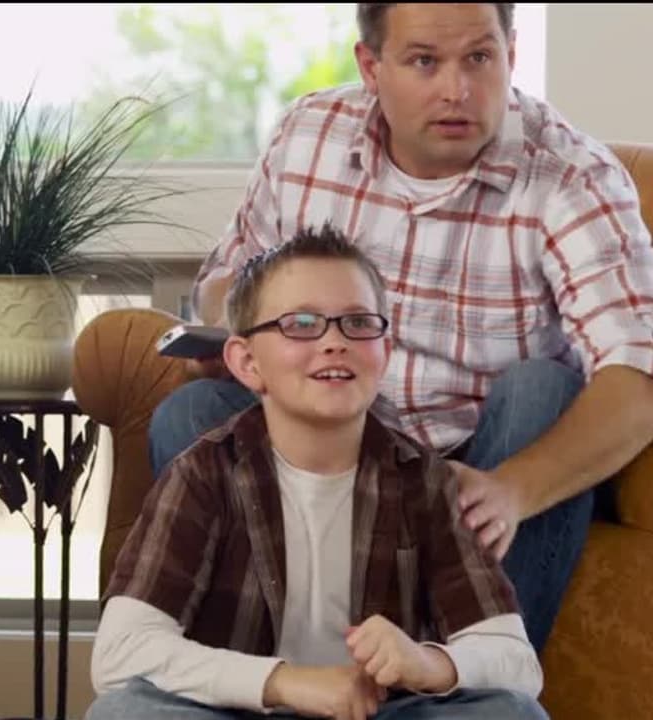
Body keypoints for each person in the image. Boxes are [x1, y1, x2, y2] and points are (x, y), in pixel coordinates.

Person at [148, 2, 653, 654]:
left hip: (478, 468)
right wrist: (235, 331)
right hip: (325, 448)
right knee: (189, 414)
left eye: (479, 57)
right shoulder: (308, 138)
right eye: (424, 62)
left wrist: (511, 490)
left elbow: (638, 375)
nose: (457, 89)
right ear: (371, 66)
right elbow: (226, 281)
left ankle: (478, 674)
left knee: (542, 389)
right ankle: (276, 678)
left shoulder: (571, 176)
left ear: (512, 53)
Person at [87, 226, 546, 720]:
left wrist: (428, 664)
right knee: (123, 712)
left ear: (384, 352)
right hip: (242, 711)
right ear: (246, 361)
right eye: (301, 324)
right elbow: (120, 652)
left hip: (381, 712)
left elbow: (518, 663)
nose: (334, 342)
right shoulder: (202, 476)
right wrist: (285, 682)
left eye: (358, 323)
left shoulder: (426, 482)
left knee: (513, 712)